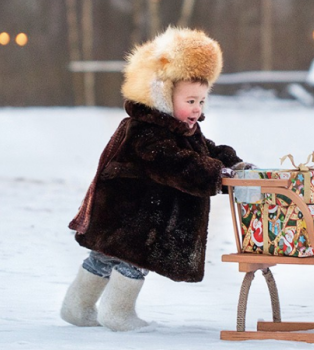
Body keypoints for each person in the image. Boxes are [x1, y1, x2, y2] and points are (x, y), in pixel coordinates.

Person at [60, 26, 252, 331]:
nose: (197, 109)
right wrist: (216, 174)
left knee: (106, 256)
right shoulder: (148, 130)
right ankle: (117, 312)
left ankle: (77, 307)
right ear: (163, 95)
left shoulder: (179, 128)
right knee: (134, 259)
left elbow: (205, 150)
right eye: (190, 101)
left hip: (131, 212)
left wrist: (233, 164)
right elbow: (174, 163)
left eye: (201, 102)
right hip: (135, 212)